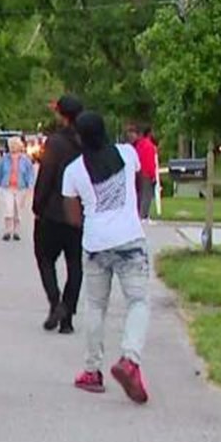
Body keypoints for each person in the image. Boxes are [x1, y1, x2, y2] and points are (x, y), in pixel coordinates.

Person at [62, 111, 152, 405]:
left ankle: (92, 371)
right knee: (138, 301)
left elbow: (73, 216)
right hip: (130, 240)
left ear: (79, 137)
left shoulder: (74, 171)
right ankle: (129, 358)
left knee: (95, 306)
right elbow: (138, 184)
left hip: (96, 243)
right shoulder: (127, 153)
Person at [31, 94, 86, 334]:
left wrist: (37, 205)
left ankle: (56, 303)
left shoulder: (55, 143)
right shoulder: (86, 141)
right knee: (75, 264)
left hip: (53, 211)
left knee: (45, 259)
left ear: (61, 115)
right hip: (80, 212)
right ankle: (68, 316)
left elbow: (47, 175)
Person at [0, 136, 34, 242]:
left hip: (21, 188)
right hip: (6, 187)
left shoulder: (26, 160)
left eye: (15, 145)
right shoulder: (4, 159)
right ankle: (8, 231)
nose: (13, 147)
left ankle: (16, 232)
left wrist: (30, 186)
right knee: (8, 209)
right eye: (12, 145)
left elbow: (30, 174)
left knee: (18, 211)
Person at [127, 122, 159, 221]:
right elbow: (150, 162)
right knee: (147, 194)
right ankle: (143, 215)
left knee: (140, 194)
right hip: (146, 173)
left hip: (138, 172)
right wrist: (153, 175)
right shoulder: (149, 146)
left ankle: (139, 214)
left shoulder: (139, 145)